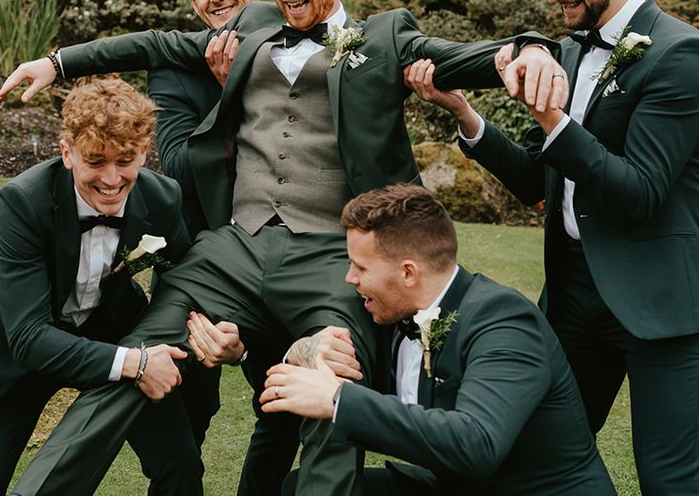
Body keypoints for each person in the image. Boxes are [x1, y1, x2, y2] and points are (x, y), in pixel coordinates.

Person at [3, 0, 567, 496]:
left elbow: (477, 59)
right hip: (231, 251)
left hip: (330, 257)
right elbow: (156, 43)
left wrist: (530, 50)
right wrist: (57, 62)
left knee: (331, 380)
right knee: (135, 360)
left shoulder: (386, 38)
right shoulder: (250, 28)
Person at [406, 0, 699, 495]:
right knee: (539, 455)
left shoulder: (679, 55)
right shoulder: (565, 49)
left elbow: (640, 192)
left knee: (670, 477)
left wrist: (553, 121)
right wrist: (466, 115)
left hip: (658, 304)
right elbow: (543, 182)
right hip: (572, 298)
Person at [0, 78, 217, 495]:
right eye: (96, 160)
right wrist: (134, 363)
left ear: (145, 153)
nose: (112, 179)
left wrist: (215, 330)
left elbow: (187, 275)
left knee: (181, 465)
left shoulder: (163, 197)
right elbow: (28, 337)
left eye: (126, 160)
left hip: (110, 329)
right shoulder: (21, 203)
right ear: (66, 153)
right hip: (16, 355)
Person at [260, 183, 616, 495]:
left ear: (408, 272)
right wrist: (305, 348)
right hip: (456, 486)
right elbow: (332, 355)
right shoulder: (390, 310)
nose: (349, 278)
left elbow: (477, 444)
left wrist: (339, 400)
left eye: (361, 267)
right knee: (299, 488)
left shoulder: (505, 322)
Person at [149, 0, 303, 495]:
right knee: (187, 412)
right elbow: (180, 165)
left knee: (281, 404)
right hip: (198, 261)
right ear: (195, 4)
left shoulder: (290, 51)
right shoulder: (174, 66)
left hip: (279, 260)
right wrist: (227, 93)